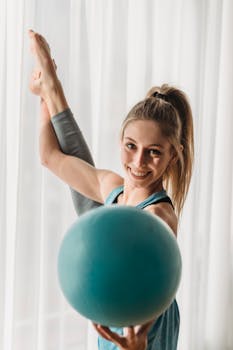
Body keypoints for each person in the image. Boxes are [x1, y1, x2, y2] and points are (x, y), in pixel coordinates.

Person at [28, 30, 194, 350]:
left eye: (154, 151)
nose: (139, 161)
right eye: (131, 146)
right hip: (115, 317)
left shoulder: (159, 216)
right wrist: (42, 100)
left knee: (93, 210)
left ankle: (54, 89)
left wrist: (139, 344)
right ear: (121, 142)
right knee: (93, 202)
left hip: (141, 333)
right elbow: (50, 157)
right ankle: (52, 89)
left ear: (174, 155)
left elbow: (156, 279)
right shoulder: (113, 188)